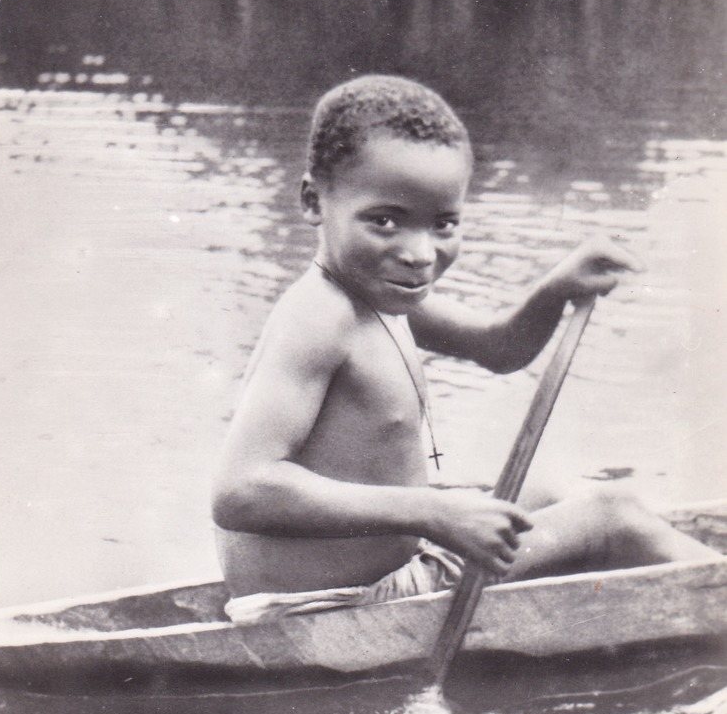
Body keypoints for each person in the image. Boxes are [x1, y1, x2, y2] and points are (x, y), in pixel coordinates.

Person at [212, 75, 718, 626]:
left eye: (444, 224)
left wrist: (554, 290)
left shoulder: (378, 298)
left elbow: (498, 348)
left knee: (545, 489)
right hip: (341, 607)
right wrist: (435, 511)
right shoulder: (318, 317)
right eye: (384, 220)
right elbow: (241, 491)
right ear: (314, 202)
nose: (419, 253)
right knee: (612, 513)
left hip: (366, 583)